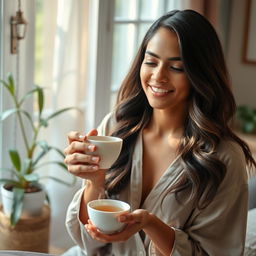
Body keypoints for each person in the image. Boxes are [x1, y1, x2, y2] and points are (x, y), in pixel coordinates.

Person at [63, 9, 256, 256]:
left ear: (201, 74)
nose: (158, 76)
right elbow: (88, 243)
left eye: (176, 67)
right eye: (151, 61)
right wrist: (94, 181)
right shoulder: (117, 126)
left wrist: (151, 225)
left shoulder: (224, 157)